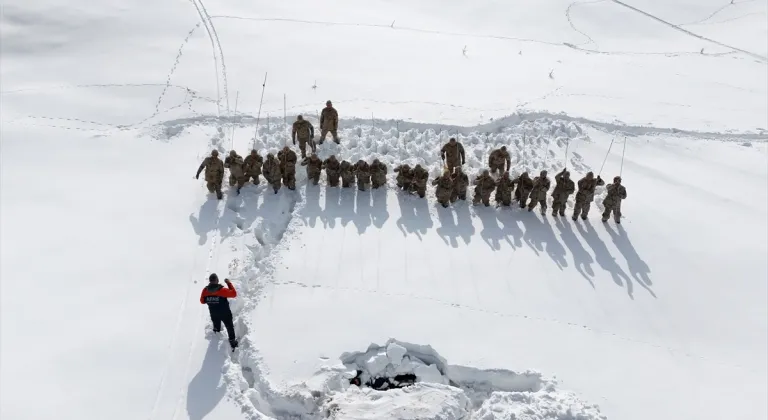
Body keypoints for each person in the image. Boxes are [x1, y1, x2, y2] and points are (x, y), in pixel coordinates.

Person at [200, 273, 238, 350]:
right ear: (217, 280)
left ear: (210, 281)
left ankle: (216, 337)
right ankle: (232, 342)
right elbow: (234, 294)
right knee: (229, 327)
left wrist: (211, 300)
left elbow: (202, 301)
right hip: (225, 313)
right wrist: (228, 283)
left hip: (214, 313)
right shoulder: (221, 290)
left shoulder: (205, 290)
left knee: (216, 327)